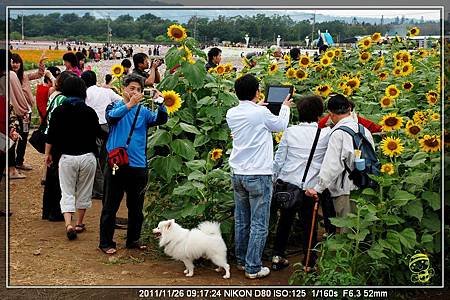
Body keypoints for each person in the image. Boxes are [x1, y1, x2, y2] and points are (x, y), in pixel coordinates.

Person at [226, 74, 293, 279]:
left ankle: (241, 260)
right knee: (259, 223)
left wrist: (259, 106)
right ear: (257, 92)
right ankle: (253, 267)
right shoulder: (261, 113)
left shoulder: (232, 113)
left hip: (238, 173)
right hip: (259, 174)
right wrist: (285, 106)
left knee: (242, 220)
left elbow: (252, 118)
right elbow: (281, 125)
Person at [99, 74, 168, 254]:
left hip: (138, 165)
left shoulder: (143, 112)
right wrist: (129, 104)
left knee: (136, 207)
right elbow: (111, 118)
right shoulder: (115, 106)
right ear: (124, 89)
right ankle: (106, 242)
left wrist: (161, 102)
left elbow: (160, 120)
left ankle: (133, 240)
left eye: (139, 89)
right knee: (110, 205)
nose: (135, 92)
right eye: (132, 89)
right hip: (117, 163)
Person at [271, 95, 331, 272]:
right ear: (319, 113)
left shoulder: (290, 131)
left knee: (285, 221)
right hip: (311, 187)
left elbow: (279, 158)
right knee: (309, 224)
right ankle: (309, 263)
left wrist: (274, 179)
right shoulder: (325, 134)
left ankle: (277, 256)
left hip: (289, 184)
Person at [306, 94, 375, 233]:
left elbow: (333, 165)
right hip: (365, 185)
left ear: (331, 114)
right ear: (349, 109)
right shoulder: (363, 129)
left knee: (348, 231)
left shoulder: (338, 133)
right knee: (363, 229)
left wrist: (318, 188)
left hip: (346, 189)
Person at [45, 76, 102, 240]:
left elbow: (51, 135)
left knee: (67, 191)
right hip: (87, 157)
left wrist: (48, 154)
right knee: (84, 191)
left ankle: (68, 224)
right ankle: (79, 223)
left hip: (66, 157)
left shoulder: (59, 111)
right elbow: (99, 133)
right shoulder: (89, 112)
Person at [81, 70, 122, 200]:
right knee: (107, 158)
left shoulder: (84, 93)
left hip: (92, 127)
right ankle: (110, 186)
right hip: (108, 126)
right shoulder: (106, 91)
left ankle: (98, 190)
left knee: (95, 158)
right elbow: (121, 101)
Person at [41, 71, 75, 221]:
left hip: (51, 138)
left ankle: (48, 210)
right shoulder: (63, 99)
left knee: (52, 177)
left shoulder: (54, 95)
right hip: (58, 140)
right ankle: (56, 212)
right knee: (59, 178)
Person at [9, 52, 47, 175]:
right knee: (13, 137)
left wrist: (41, 63)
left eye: (17, 62)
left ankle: (20, 161)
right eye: (13, 62)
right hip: (14, 113)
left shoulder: (24, 76)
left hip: (26, 112)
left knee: (24, 136)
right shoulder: (8, 77)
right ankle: (11, 164)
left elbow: (39, 74)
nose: (15, 64)